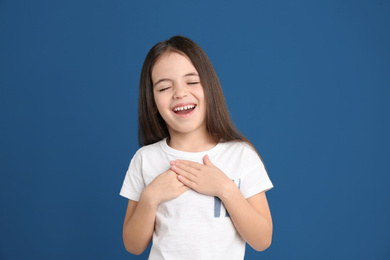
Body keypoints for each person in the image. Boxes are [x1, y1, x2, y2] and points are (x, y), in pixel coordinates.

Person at [120, 35, 273, 260]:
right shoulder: (145, 159)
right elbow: (133, 245)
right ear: (152, 103)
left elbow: (262, 240)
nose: (180, 93)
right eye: (164, 88)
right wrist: (150, 196)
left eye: (192, 82)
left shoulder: (241, 155)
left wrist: (225, 189)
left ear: (209, 89)